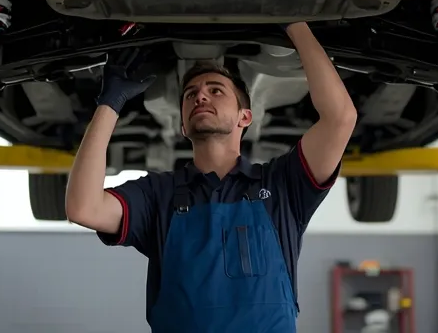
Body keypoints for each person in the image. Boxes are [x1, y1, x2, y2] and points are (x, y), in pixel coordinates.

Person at [65, 22, 357, 333]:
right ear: (183, 126)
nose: (200, 97)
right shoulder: (158, 195)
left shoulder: (283, 185)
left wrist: (295, 24)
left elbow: (340, 118)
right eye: (190, 95)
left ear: (245, 116)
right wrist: (109, 104)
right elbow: (84, 209)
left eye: (215, 90)